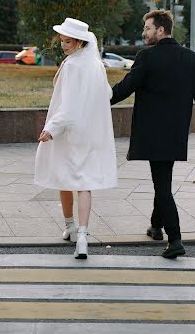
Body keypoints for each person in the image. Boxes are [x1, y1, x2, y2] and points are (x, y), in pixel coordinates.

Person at [111, 9, 195, 259]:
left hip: (151, 133)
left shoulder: (146, 57)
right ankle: (156, 226)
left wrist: (96, 100)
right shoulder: (192, 59)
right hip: (175, 133)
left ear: (160, 30)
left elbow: (125, 88)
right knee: (163, 179)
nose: (143, 33)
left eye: (147, 28)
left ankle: (175, 239)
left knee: (162, 185)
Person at [34, 18, 118, 259]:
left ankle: (70, 225)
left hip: (69, 131)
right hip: (90, 131)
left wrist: (52, 128)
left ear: (80, 41)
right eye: (62, 40)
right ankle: (81, 235)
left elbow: (67, 106)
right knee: (84, 183)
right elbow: (107, 94)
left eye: (67, 41)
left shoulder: (72, 66)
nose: (63, 45)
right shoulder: (96, 65)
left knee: (64, 177)